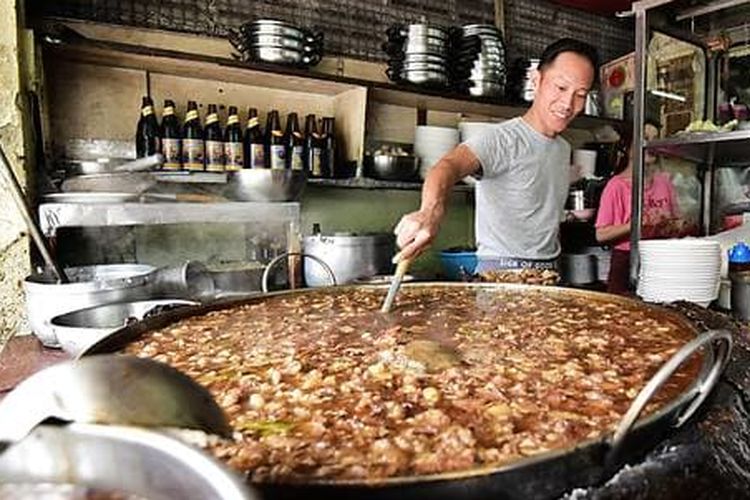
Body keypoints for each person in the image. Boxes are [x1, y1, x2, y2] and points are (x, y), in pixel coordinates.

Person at [393, 38, 598, 272]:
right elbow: (448, 166)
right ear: (537, 80)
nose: (568, 103)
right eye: (561, 88)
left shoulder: (562, 148)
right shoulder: (503, 138)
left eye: (580, 94)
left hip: (549, 274)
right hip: (500, 277)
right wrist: (430, 212)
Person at [595, 122, 681, 294]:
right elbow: (601, 235)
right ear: (628, 148)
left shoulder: (664, 181)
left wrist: (675, 225)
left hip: (661, 257)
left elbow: (676, 221)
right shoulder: (616, 186)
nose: (651, 145)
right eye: (645, 139)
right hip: (626, 260)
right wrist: (636, 224)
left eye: (655, 140)